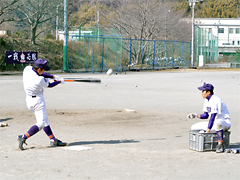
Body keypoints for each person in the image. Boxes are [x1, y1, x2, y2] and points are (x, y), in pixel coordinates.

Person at [18, 58, 66, 150]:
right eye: (43, 69)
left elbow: (41, 73)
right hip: (38, 102)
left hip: (29, 100)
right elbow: (50, 85)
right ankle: (23, 137)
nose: (44, 71)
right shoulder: (39, 80)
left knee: (44, 120)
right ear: (39, 69)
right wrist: (59, 82)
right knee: (41, 123)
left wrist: (53, 76)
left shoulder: (27, 69)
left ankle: (53, 140)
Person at [187, 82, 231, 153]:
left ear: (209, 92)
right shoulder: (206, 100)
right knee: (194, 127)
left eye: (203, 91)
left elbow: (212, 117)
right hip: (214, 123)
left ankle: (220, 144)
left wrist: (207, 131)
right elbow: (206, 115)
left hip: (225, 123)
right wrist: (195, 115)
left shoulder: (215, 100)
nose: (202, 93)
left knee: (218, 123)